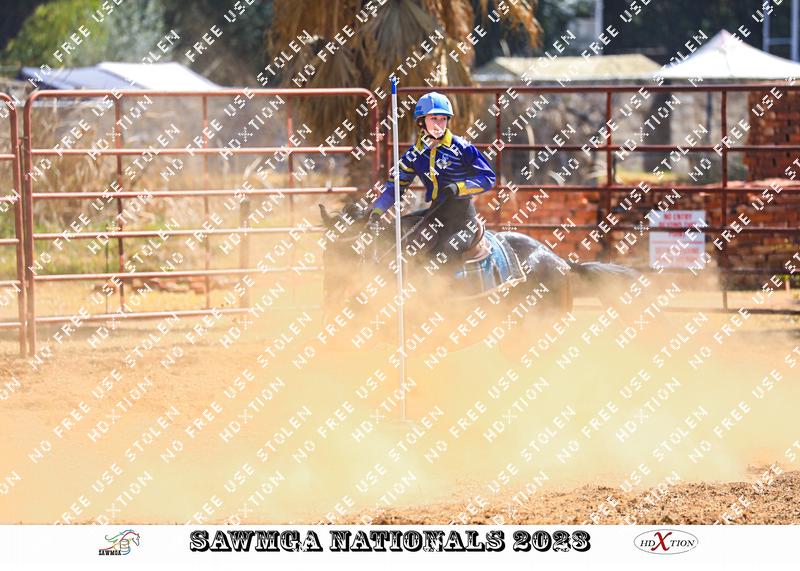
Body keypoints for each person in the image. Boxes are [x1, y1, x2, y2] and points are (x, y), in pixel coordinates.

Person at [369, 92, 496, 268]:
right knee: (392, 232)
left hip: (462, 219)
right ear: (421, 121)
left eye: (443, 119)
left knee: (442, 255)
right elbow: (395, 187)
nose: (439, 124)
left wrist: (459, 188)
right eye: (434, 118)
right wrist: (377, 211)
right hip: (434, 213)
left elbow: (488, 178)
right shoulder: (414, 154)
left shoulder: (462, 147)